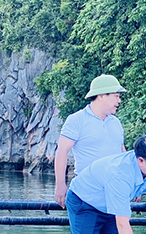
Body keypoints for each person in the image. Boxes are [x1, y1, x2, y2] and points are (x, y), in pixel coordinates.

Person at [54, 74, 126, 208]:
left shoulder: (116, 122)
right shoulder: (77, 120)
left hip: (112, 193)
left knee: (118, 229)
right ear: (102, 96)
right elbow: (62, 152)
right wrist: (60, 185)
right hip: (86, 194)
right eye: (116, 96)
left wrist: (131, 181)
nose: (119, 100)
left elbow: (122, 153)